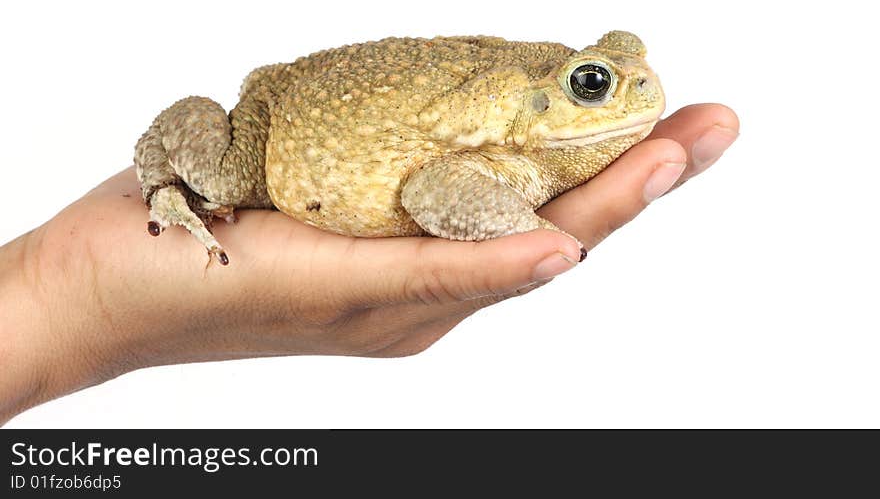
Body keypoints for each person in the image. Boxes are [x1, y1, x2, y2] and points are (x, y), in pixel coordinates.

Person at [0, 104, 738, 423]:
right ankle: (167, 184)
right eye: (590, 85)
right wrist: (73, 300)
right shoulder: (498, 157)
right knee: (219, 181)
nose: (637, 96)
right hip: (279, 133)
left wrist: (51, 289)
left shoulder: (511, 149)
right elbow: (429, 189)